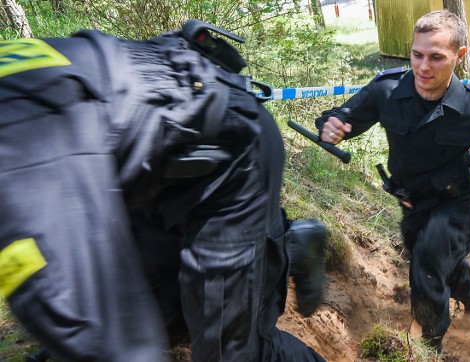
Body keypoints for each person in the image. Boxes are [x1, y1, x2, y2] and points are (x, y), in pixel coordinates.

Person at [0, 20, 326, 361]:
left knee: (228, 351)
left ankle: (270, 255)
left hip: (229, 161)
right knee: (162, 312)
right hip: (150, 166)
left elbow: (95, 335)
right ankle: (288, 248)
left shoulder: (17, 164)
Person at [315, 10, 470, 353]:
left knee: (426, 261)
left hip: (455, 202)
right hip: (412, 203)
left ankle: (429, 344)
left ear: (459, 56)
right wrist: (333, 124)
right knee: (439, 263)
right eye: (417, 55)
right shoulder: (387, 89)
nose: (424, 67)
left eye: (437, 57)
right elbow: (346, 115)